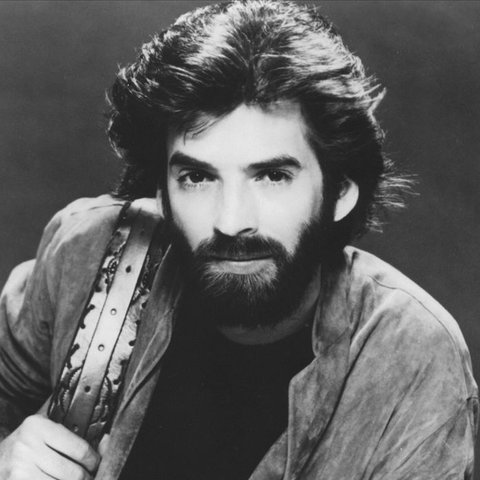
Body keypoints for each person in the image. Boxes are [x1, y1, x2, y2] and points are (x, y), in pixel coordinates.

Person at [0, 1, 477, 479]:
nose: (231, 221)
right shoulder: (85, 252)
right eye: (197, 177)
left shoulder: (411, 352)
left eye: (272, 176)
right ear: (161, 192)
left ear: (340, 193)